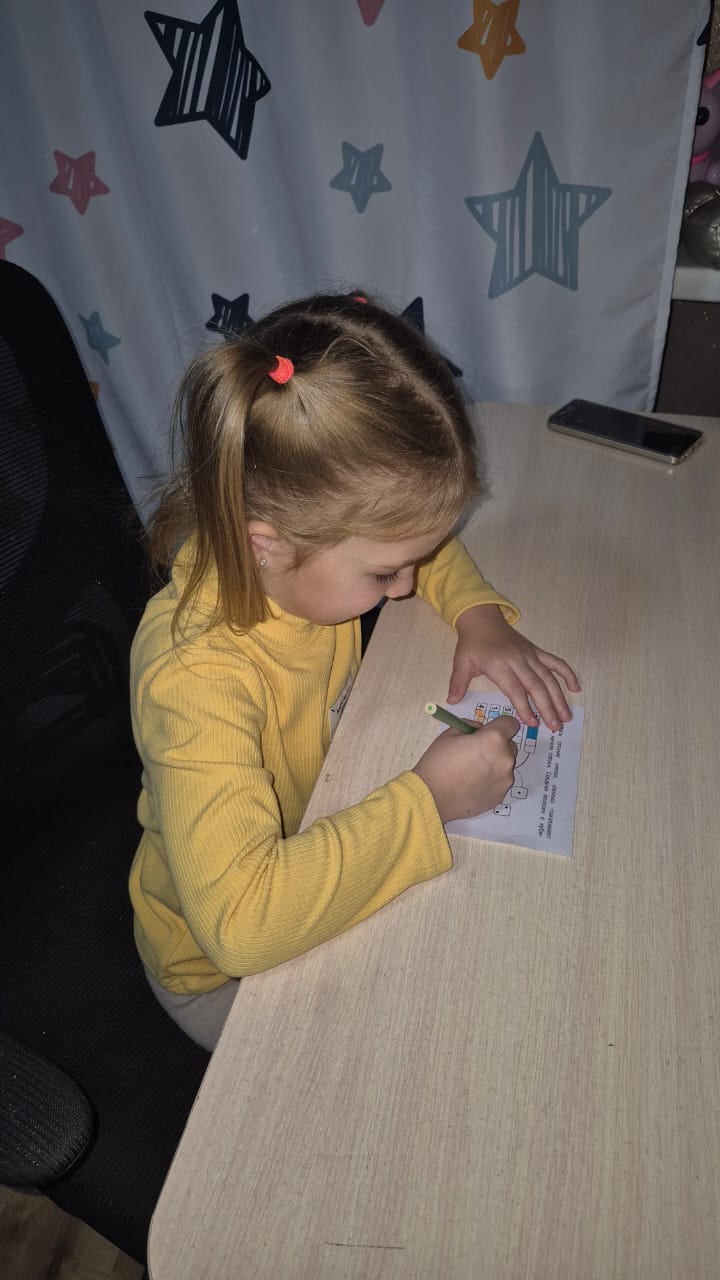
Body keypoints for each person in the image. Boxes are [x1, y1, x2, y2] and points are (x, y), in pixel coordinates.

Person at [129, 291, 580, 1050]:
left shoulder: (290, 556)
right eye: (383, 575)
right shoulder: (194, 679)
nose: (404, 587)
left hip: (321, 832)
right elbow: (243, 926)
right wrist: (429, 800)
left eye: (410, 564)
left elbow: (412, 540)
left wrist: (477, 614)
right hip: (218, 972)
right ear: (267, 544)